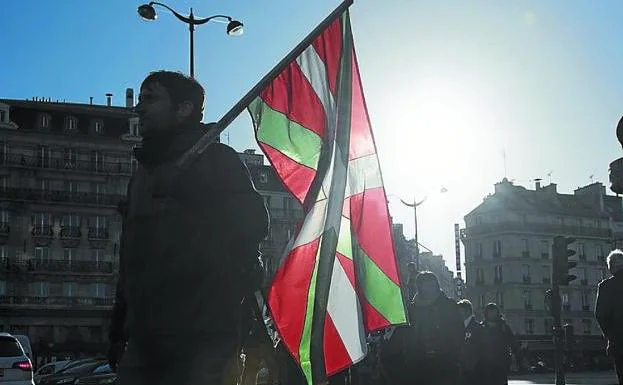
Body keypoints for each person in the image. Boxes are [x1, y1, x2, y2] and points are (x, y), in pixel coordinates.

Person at [108, 71, 269, 385]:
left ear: (183, 109)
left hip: (203, 336)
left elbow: (254, 223)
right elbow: (131, 258)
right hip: (144, 336)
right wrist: (118, 328)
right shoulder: (141, 176)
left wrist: (193, 189)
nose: (139, 109)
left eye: (150, 99)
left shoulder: (218, 160)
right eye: (140, 99)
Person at [406, 271, 464, 385]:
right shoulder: (412, 309)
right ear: (420, 287)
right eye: (426, 285)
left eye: (432, 285)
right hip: (419, 362)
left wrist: (453, 352)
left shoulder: (448, 305)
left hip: (445, 361)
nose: (430, 288)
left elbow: (459, 330)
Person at [595, 249, 623, 385]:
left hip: (619, 343)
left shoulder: (605, 287)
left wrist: (611, 337)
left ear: (611, 268)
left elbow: (600, 315)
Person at [481, 303, 519, 385]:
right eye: (490, 312)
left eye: (493, 312)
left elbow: (512, 343)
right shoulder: (482, 327)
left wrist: (513, 358)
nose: (492, 314)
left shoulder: (504, 327)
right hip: (486, 365)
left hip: (501, 364)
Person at [457, 299, 485, 385]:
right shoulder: (458, 327)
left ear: (467, 311)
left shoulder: (478, 328)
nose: (457, 314)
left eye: (459, 311)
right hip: (461, 368)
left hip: (475, 369)